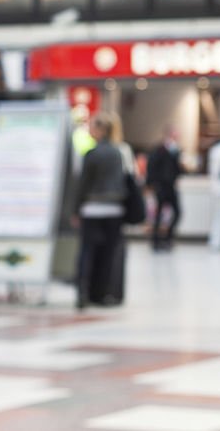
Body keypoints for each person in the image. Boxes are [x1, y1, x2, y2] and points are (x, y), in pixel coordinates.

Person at [72, 113, 134, 310]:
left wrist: (75, 209)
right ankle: (103, 292)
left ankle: (83, 290)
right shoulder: (118, 153)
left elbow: (83, 185)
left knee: (87, 251)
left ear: (100, 130)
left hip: (92, 209)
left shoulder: (92, 154)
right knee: (108, 253)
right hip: (114, 210)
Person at [147, 127, 183, 251]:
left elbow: (177, 169)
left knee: (178, 213)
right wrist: (152, 184)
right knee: (158, 215)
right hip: (161, 187)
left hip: (171, 187)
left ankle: (168, 238)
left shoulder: (176, 151)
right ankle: (156, 240)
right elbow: (151, 167)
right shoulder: (159, 150)